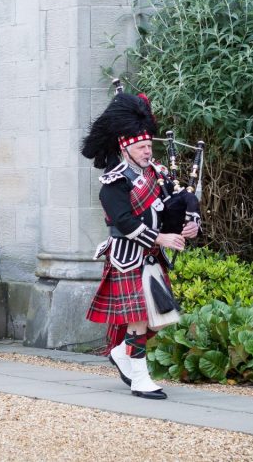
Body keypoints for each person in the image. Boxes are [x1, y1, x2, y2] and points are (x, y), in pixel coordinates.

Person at [81, 92, 199, 400]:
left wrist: (192, 220)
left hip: (152, 257)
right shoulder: (114, 182)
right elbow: (124, 222)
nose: (148, 151)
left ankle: (122, 352)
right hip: (128, 257)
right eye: (142, 147)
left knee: (161, 317)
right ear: (126, 147)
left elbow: (183, 197)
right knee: (139, 318)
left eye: (149, 146)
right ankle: (140, 377)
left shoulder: (158, 174)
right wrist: (160, 238)